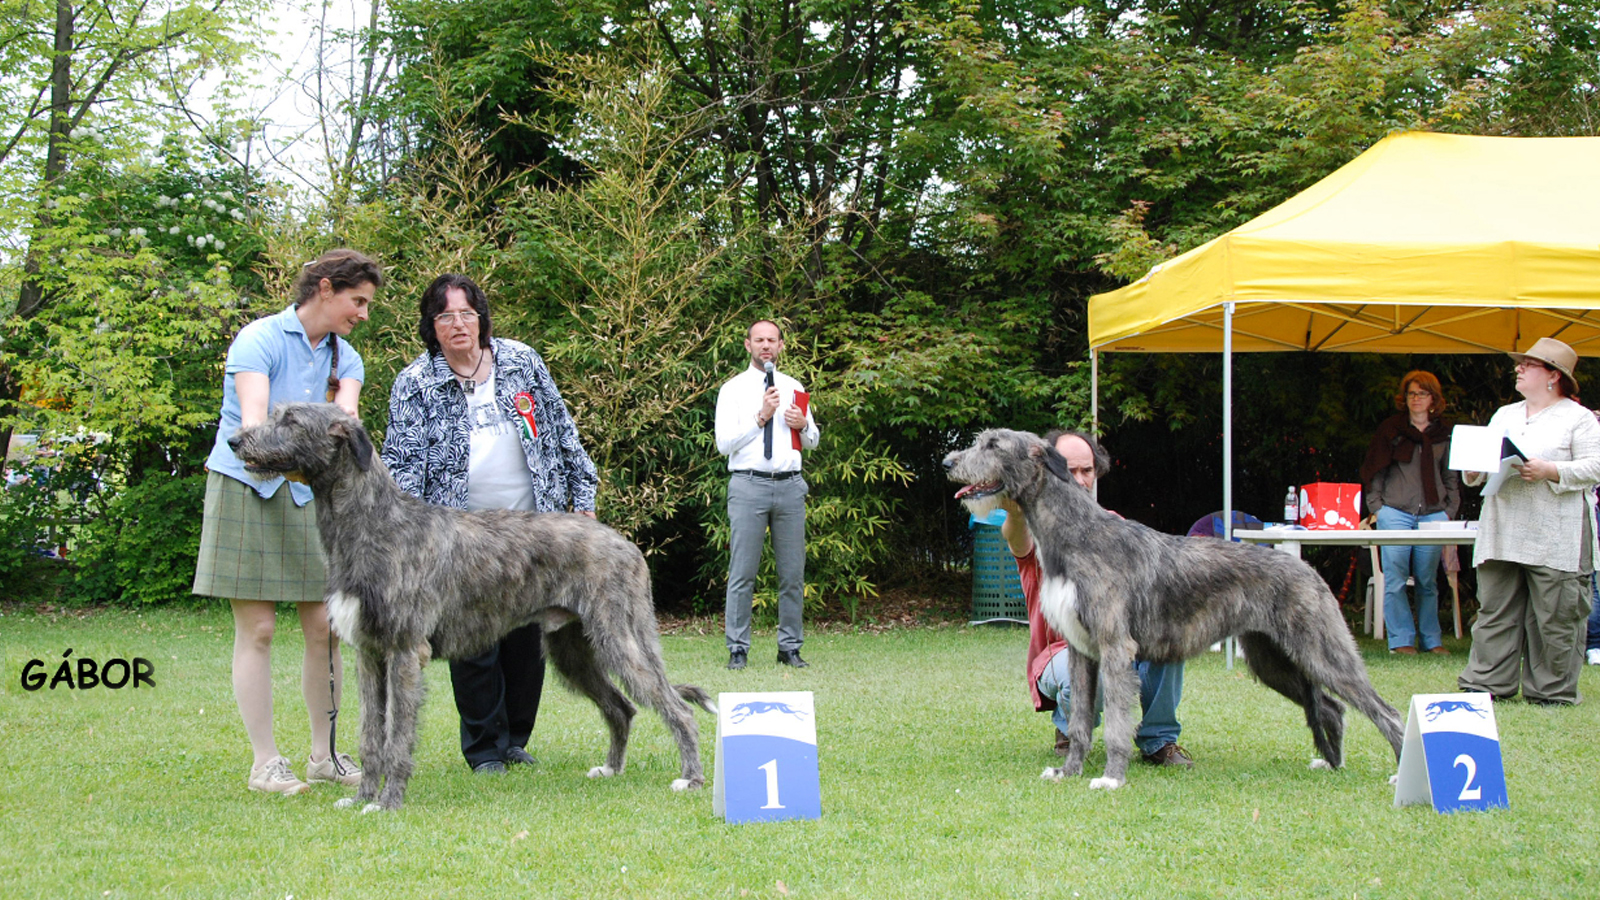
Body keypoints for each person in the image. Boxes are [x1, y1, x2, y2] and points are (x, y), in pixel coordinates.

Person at [381, 273, 599, 775]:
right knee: (470, 639)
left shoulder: (521, 361)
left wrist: (581, 498)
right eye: (444, 316)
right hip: (456, 533)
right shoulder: (415, 382)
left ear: (481, 317)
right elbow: (404, 460)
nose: (457, 324)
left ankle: (516, 738)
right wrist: (402, 529)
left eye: (466, 313)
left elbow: (562, 430)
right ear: (431, 327)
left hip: (532, 523)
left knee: (529, 632)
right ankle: (484, 749)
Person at [193, 248, 383, 794]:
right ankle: (265, 763)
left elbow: (344, 425)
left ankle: (325, 757)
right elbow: (255, 428)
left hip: (309, 496)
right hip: (245, 485)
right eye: (358, 301)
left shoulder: (345, 360)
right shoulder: (260, 339)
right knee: (258, 629)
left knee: (325, 628)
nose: (363, 314)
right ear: (325, 289)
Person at [999, 429, 1191, 767]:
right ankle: (1070, 728)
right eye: (1070, 470)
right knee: (1095, 669)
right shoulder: (1033, 525)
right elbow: (1016, 538)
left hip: (1118, 637)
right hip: (1058, 653)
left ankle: (1158, 741)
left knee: (1169, 640)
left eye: (1086, 470)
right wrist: (1015, 510)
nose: (1080, 480)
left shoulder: (1113, 526)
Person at [1459, 337, 1600, 706]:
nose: (1518, 368)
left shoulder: (1578, 418)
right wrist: (1473, 468)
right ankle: (1486, 685)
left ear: (1553, 375)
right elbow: (1480, 462)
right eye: (1520, 364)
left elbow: (1595, 466)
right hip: (1503, 525)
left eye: (1528, 365)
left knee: (1556, 614)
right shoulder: (1505, 414)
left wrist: (1551, 469)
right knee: (1495, 609)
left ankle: (1550, 691)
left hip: (1558, 530)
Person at [715, 319, 820, 670]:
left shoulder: (794, 386)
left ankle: (789, 647)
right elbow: (723, 443)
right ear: (747, 345)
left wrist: (802, 425)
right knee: (743, 571)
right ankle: (738, 648)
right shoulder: (733, 389)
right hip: (748, 484)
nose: (765, 346)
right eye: (758, 340)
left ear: (781, 345)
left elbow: (813, 441)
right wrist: (761, 417)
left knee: (792, 573)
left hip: (790, 485)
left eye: (771, 340)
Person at [1359, 370, 1461, 654]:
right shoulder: (1390, 430)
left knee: (1428, 580)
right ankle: (1401, 640)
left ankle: (1432, 640)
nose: (1416, 399)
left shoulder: (1444, 433)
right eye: (1411, 393)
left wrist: (1449, 510)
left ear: (1433, 399)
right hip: (1394, 511)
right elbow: (1375, 470)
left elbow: (1451, 475)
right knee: (1395, 579)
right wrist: (1377, 508)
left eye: (1422, 393)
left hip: (1434, 514)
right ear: (1405, 399)